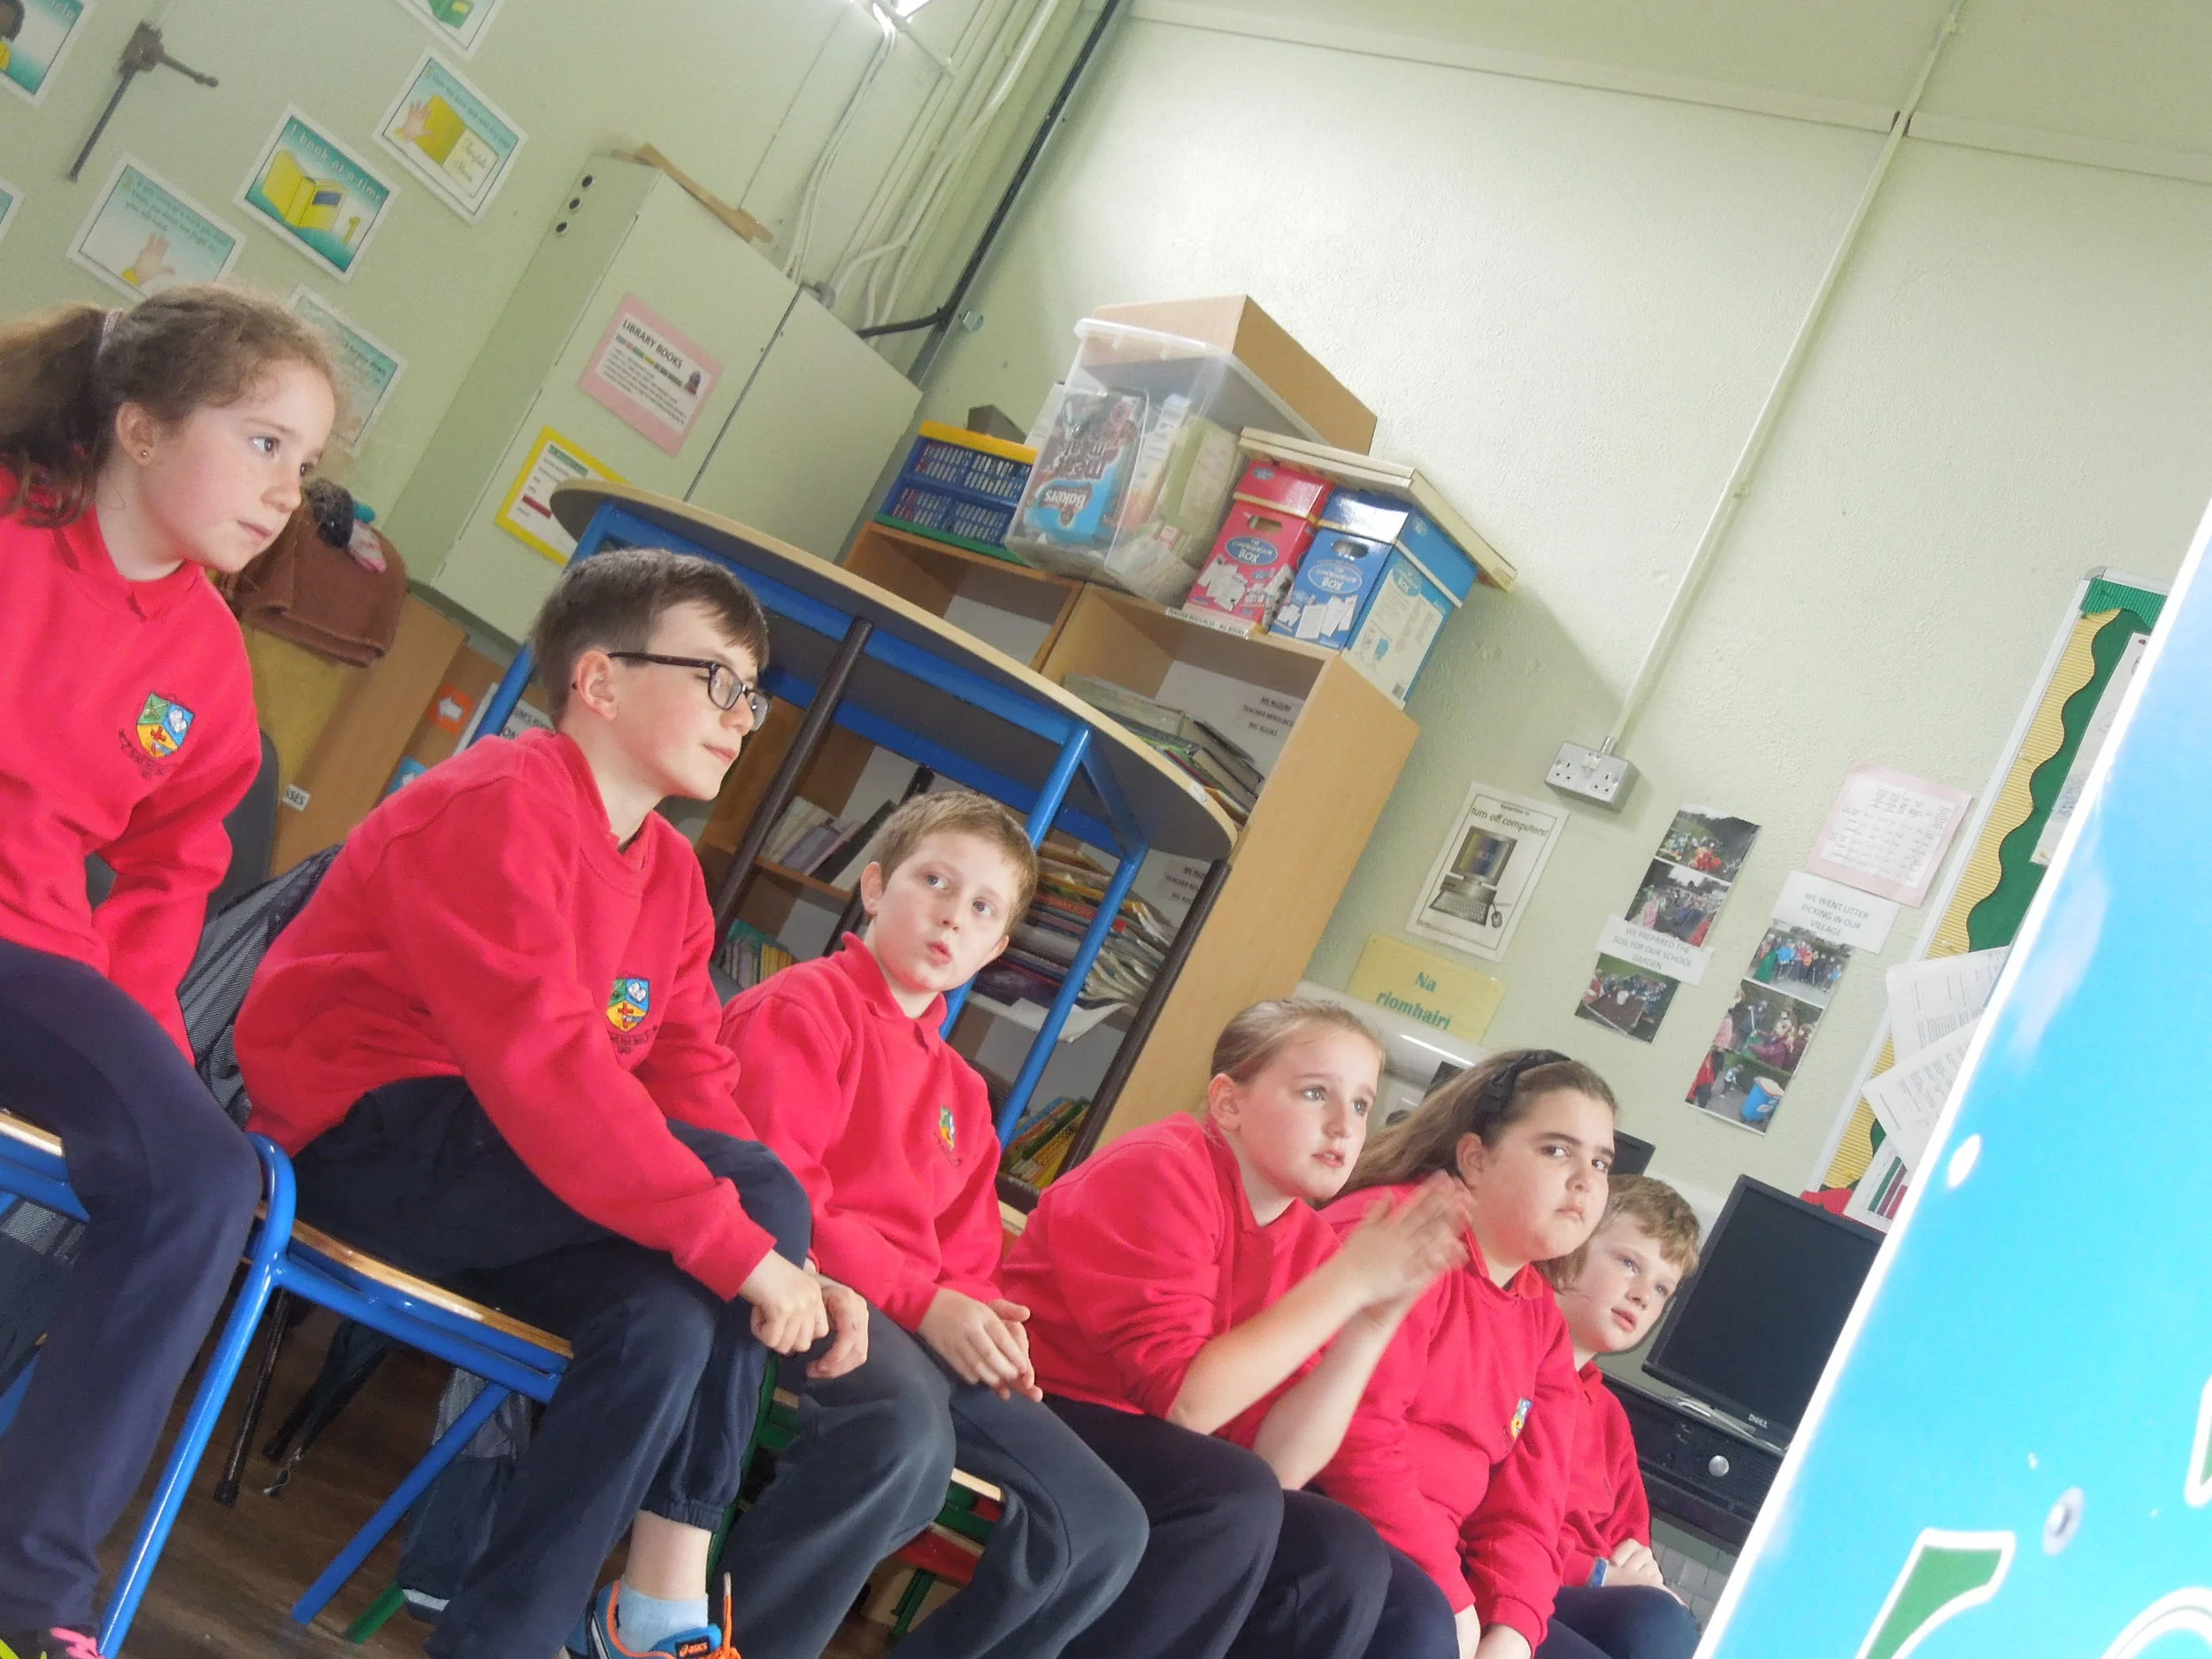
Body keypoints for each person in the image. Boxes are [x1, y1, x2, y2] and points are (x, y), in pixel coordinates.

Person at [236, 548, 833, 1659]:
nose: (741, 717)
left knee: (661, 1321)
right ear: (598, 680)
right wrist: (751, 1243)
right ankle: (662, 1609)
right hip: (370, 1144)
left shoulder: (671, 876)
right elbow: (546, 1070)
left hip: (503, 1177)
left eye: (752, 695)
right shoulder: (499, 801)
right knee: (751, 1199)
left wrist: (777, 1253)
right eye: (717, 679)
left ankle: (501, 1642)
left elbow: (692, 1082)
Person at [0, 288, 338, 1659]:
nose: (288, 491)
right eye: (263, 443)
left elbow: (171, 875)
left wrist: (140, 1057)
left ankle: (26, 1587)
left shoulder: (206, 657)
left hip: (26, 962)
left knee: (205, 1175)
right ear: (139, 427)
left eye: (305, 462)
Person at [714, 789, 1147, 1659]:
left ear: (996, 949)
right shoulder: (802, 1008)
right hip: (797, 1289)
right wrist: (927, 1302)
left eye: (983, 908)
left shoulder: (962, 1091)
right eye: (935, 882)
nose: (952, 915)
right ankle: (722, 1644)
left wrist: (981, 1322)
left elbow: (969, 1254)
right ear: (875, 887)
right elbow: (779, 1197)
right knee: (903, 1439)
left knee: (1103, 1524)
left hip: (916, 1327)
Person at [1002, 998, 1473, 1659]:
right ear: (1229, 1103)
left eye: (1363, 1104)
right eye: (1316, 1093)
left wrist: (1370, 1324)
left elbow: (1282, 1464)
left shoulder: (1313, 1246)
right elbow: (1186, 1401)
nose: (1344, 1125)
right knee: (1229, 1494)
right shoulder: (1163, 1166)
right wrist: (1347, 1284)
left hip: (1167, 1453)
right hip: (1035, 1404)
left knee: (1345, 1552)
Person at [1317, 1049, 1618, 1659]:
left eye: (1601, 1162)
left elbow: (1528, 1514)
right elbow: (1356, 1445)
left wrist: (1511, 1629)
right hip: (1340, 1527)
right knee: (1424, 1630)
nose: (1585, 1180)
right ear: (1476, 1158)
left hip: (1434, 1564)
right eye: (1557, 1150)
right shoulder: (1399, 1234)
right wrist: (1454, 1599)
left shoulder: (1543, 1322)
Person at [1540, 1177, 1703, 1659]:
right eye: (1629, 1264)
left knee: (1661, 1624)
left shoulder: (1609, 1418)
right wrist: (1597, 1573)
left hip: (1583, 1596)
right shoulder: (1514, 1357)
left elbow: (1632, 1551)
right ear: (1573, 1245)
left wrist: (1638, 1574)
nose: (1642, 1295)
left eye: (1662, 1288)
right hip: (1504, 1579)